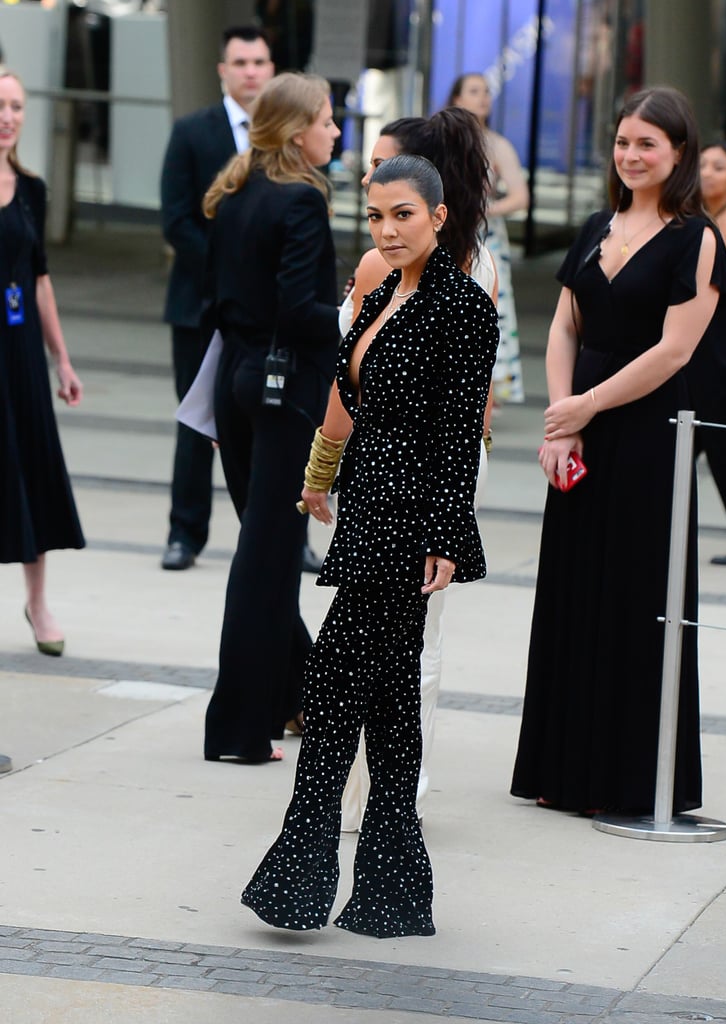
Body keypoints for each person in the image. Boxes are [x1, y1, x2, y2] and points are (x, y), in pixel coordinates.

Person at [240, 154, 499, 937]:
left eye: (403, 216)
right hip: (368, 505)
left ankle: (306, 877)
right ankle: (390, 892)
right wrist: (322, 475)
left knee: (334, 687)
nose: (387, 230)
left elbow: (461, 430)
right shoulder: (383, 291)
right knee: (384, 704)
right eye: (377, 216)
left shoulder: (462, 307)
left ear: (439, 217)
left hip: (408, 516)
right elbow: (350, 398)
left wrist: (448, 533)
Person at [510, 86, 726, 817]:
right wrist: (561, 421)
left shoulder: (698, 239)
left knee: (635, 601)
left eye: (647, 145)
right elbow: (564, 326)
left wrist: (587, 406)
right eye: (623, 142)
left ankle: (628, 780)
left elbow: (672, 353)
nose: (631, 156)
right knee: (573, 590)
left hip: (648, 434)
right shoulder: (596, 225)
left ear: (677, 155)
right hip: (583, 425)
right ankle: (563, 770)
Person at [337, 109, 496, 830]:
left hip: (399, 474)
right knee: (415, 638)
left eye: (384, 168)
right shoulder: (480, 261)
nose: (371, 182)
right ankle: (402, 792)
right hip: (451, 469)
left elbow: (351, 387)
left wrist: (319, 469)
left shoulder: (389, 267)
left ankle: (381, 798)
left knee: (377, 638)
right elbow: (479, 402)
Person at [202, 73, 341, 765]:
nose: (335, 132)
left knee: (263, 551)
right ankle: (236, 726)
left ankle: (300, 697)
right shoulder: (300, 201)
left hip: (235, 382)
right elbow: (297, 310)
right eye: (327, 121)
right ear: (296, 132)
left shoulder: (235, 194)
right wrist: (354, 316)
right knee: (268, 561)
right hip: (284, 391)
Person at [159, 26, 275, 571]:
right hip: (199, 304)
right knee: (195, 417)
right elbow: (177, 219)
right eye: (241, 61)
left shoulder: (286, 138)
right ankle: (185, 532)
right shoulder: (191, 131)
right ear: (222, 70)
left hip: (269, 311)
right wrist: (229, 267)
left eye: (259, 61)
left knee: (275, 423)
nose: (251, 71)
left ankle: (282, 533)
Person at [0, 71, 84, 657]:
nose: (8, 116)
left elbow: (40, 282)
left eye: (17, 106)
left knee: (30, 461)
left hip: (20, 347)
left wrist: (62, 359)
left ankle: (38, 602)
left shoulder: (29, 188)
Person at [448, 72, 529, 403]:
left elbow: (519, 197)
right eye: (473, 91)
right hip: (446, 233)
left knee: (488, 309)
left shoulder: (496, 144)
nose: (482, 97)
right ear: (456, 99)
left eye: (486, 92)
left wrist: (483, 210)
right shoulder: (441, 140)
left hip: (485, 236)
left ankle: (487, 391)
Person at [698, 142, 726, 565]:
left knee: (720, 438)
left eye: (718, 167)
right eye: (702, 164)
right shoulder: (703, 219)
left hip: (720, 348)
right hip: (705, 347)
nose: (707, 172)